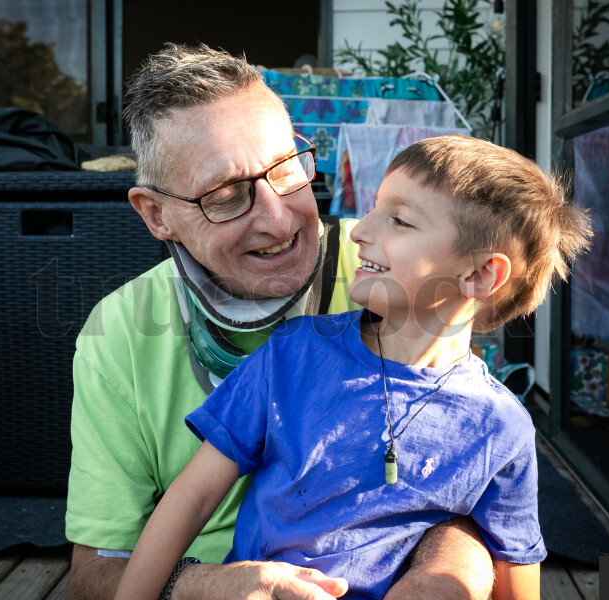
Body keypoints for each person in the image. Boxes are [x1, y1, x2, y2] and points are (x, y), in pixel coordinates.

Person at [66, 43, 495, 600]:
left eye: (288, 170)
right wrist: (206, 587)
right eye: (225, 195)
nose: (278, 218)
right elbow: (97, 569)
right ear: (156, 214)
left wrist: (441, 574)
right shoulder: (119, 331)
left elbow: (474, 488)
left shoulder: (396, 276)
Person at [113, 135, 593, 600]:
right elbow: (191, 498)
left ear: (480, 274)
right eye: (375, 207)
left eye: (399, 221)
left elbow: (516, 577)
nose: (361, 230)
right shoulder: (291, 356)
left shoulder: (500, 428)